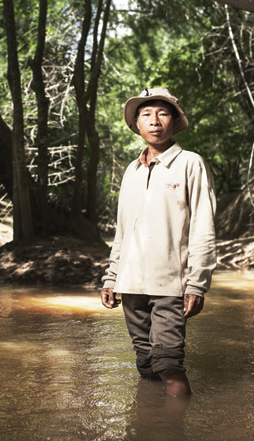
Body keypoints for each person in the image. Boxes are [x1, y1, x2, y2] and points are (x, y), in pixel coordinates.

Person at [100, 87, 217, 397]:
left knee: (168, 365)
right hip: (132, 285)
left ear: (174, 122)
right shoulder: (132, 171)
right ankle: (150, 424)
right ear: (137, 124)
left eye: (163, 113)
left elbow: (204, 226)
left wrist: (197, 284)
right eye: (146, 115)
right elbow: (122, 231)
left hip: (170, 285)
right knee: (147, 366)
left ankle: (173, 428)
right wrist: (112, 277)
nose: (154, 121)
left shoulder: (191, 164)